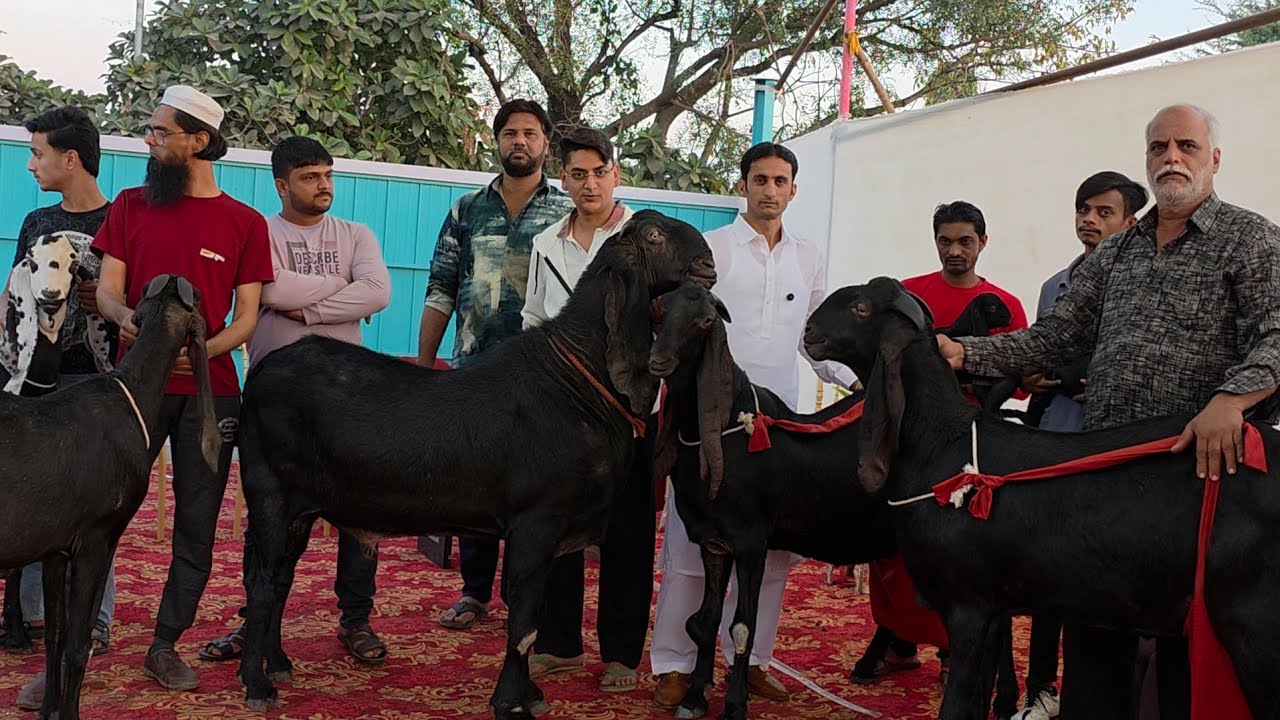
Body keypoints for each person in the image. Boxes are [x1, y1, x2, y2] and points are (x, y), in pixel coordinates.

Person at [937, 103, 1280, 720]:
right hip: (1105, 476)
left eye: (1186, 146)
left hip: (1195, 483)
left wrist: (1233, 400)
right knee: (1094, 639)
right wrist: (963, 353)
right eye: (1158, 147)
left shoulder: (1252, 239)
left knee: (1192, 653)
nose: (1171, 158)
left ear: (1215, 159)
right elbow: (1053, 337)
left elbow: (1279, 333)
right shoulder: (1117, 252)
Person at [650, 141, 858, 708]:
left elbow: (814, 341)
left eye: (780, 181)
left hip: (775, 427)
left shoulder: (809, 256)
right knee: (693, 550)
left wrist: (855, 381)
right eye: (760, 179)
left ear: (794, 189)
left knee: (771, 552)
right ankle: (673, 663)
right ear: (742, 185)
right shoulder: (711, 251)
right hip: (706, 424)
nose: (770, 190)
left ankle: (754, 658)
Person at [93, 85, 274, 691]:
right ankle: (79, 640)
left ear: (199, 141)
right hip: (129, 391)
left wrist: (196, 354)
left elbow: (246, 318)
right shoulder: (128, 205)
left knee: (197, 521)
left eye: (160, 132)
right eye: (151, 131)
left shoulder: (244, 223)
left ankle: (165, 643)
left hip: (213, 393)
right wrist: (131, 327)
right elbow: (109, 291)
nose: (150, 141)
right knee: (99, 513)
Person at [198, 136, 392, 667]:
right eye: (310, 177)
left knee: (361, 513)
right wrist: (338, 289)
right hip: (277, 405)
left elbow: (378, 291)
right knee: (270, 515)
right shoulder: (258, 231)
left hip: (346, 400)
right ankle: (256, 624)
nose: (323, 184)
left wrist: (305, 310)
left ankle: (356, 620)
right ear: (282, 185)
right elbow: (270, 291)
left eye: (327, 174)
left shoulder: (356, 233)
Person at [853, 200, 1028, 687]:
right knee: (897, 545)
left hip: (974, 445)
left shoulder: (1007, 305)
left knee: (965, 549)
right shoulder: (910, 296)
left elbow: (1015, 377)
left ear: (983, 243)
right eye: (946, 241)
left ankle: (957, 645)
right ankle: (900, 635)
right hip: (912, 443)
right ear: (935, 243)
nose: (955, 251)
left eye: (965, 241)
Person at [418, 99, 573, 630]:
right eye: (510, 133)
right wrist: (424, 365)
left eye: (530, 133)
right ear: (497, 141)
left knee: (537, 483)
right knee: (475, 482)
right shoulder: (466, 209)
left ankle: (526, 596)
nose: (520, 143)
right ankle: (474, 592)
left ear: (545, 143)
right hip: (475, 368)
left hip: (547, 373)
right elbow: (440, 288)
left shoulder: (567, 212)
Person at [518, 127, 653, 693]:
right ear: (563, 179)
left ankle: (622, 654)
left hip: (629, 413)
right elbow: (531, 320)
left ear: (616, 174)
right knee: (557, 525)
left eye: (600, 172)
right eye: (578, 174)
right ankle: (559, 644)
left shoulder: (644, 238)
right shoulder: (547, 242)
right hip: (561, 417)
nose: (590, 183)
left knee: (627, 529)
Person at [1011, 171, 1148, 720]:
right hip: (1056, 443)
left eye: (1104, 212)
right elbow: (1036, 353)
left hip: (1115, 453)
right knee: (1049, 574)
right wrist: (1037, 377)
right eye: (1083, 209)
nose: (1090, 221)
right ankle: (1041, 688)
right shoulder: (1054, 288)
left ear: (1131, 221)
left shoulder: (1144, 288)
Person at [2, 106, 120, 711]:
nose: (31, 164)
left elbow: (130, 302)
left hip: (99, 388)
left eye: (38, 153)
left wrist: (104, 302)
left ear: (69, 158)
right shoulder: (35, 221)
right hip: (35, 390)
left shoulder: (119, 220)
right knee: (33, 495)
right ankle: (32, 616)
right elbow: (12, 299)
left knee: (97, 506)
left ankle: (92, 620)